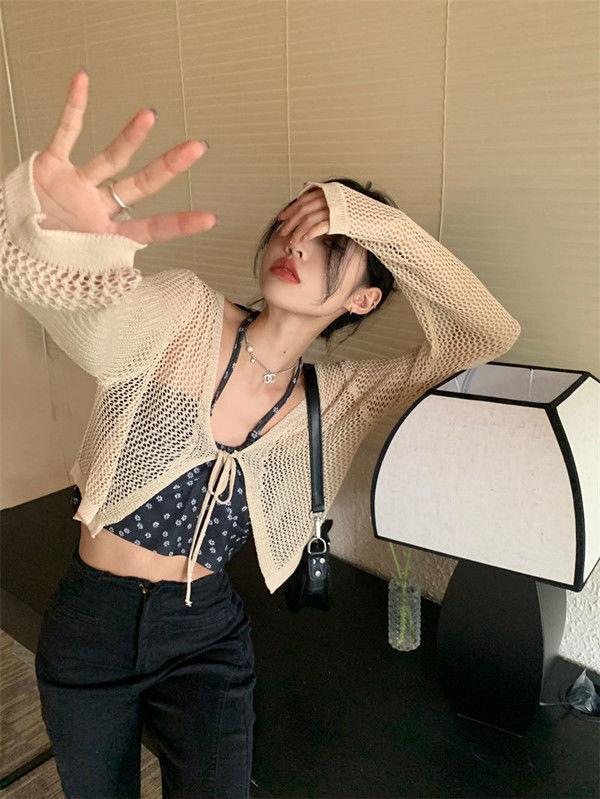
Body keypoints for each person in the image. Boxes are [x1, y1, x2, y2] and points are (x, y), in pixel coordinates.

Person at [1, 69, 521, 799]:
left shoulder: (337, 398)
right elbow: (83, 314)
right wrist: (56, 239)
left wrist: (371, 219)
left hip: (206, 634)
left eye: (329, 242)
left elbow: (484, 332)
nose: (296, 244)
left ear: (364, 298)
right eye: (292, 226)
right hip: (93, 621)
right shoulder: (184, 313)